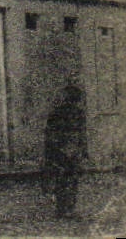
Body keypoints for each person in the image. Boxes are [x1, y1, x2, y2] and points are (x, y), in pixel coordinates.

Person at [43, 84, 87, 219]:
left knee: (64, 179)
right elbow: (80, 133)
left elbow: (81, 133)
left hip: (64, 149)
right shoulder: (75, 113)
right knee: (69, 179)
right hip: (66, 149)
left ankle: (64, 209)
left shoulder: (59, 113)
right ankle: (66, 209)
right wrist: (81, 149)